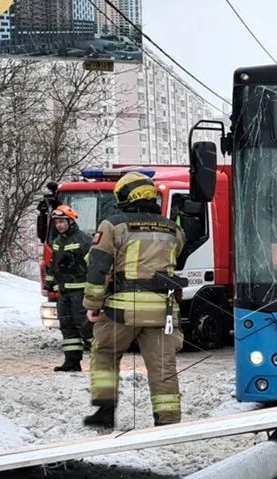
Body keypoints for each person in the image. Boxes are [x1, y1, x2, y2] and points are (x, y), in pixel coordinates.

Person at [83, 171, 186, 431]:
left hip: (122, 309)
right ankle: (168, 421)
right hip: (164, 310)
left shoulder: (112, 225)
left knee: (105, 353)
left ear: (127, 196)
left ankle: (105, 412)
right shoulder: (174, 229)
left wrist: (93, 305)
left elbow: (98, 268)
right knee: (163, 365)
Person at [45, 205, 93, 372]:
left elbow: (94, 266)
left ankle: (102, 359)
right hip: (63, 291)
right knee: (67, 326)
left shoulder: (84, 240)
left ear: (71, 222)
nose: (59, 225)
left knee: (85, 326)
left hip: (80, 291)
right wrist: (48, 284)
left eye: (62, 222)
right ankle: (72, 362)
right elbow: (52, 266)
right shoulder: (57, 242)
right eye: (57, 222)